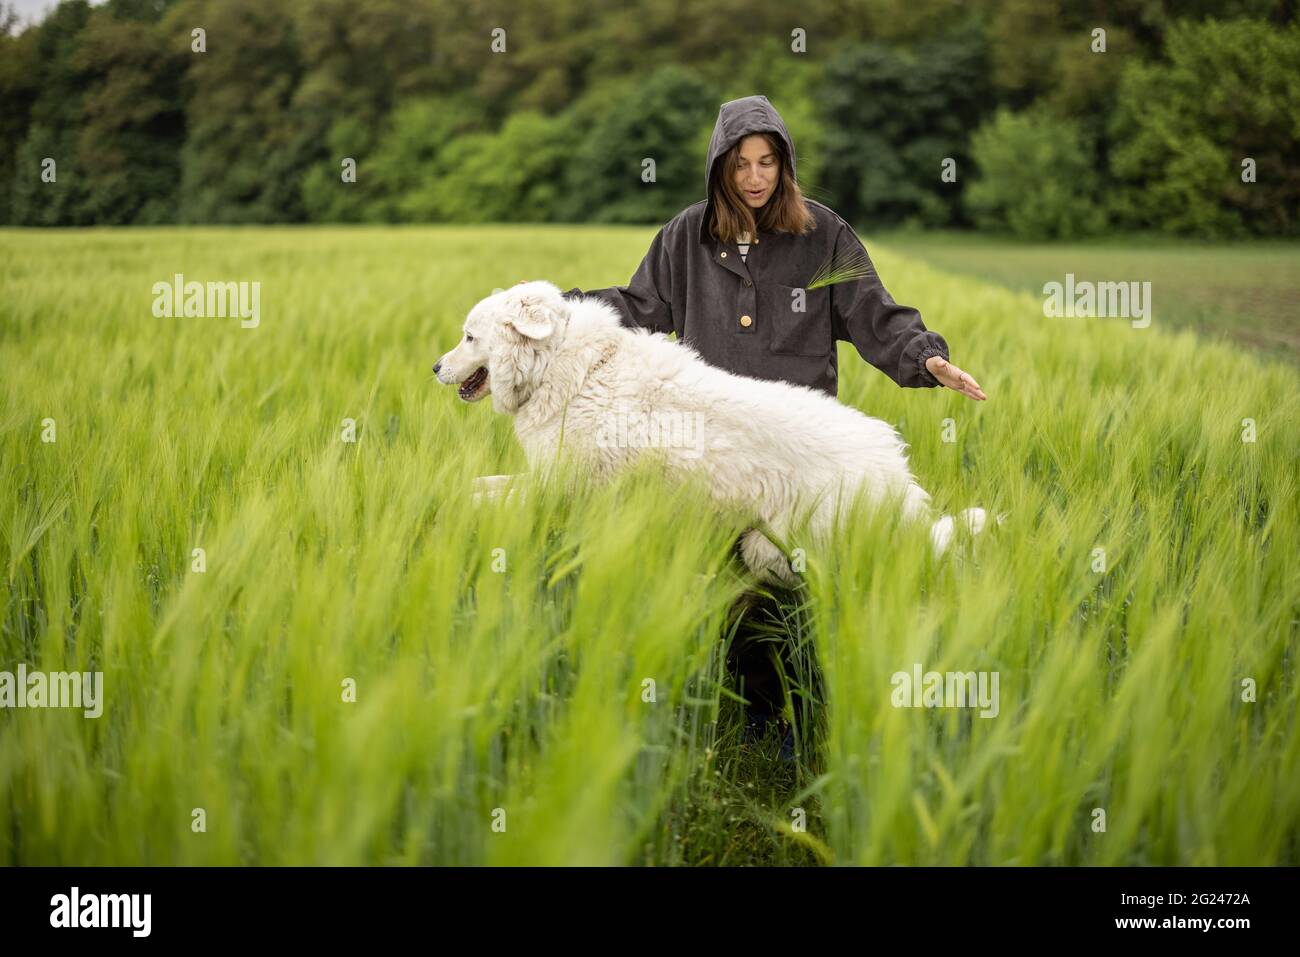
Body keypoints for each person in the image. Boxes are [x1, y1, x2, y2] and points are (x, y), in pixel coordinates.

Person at [556, 94, 989, 757]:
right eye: (741, 165)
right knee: (735, 588)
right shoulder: (685, 237)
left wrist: (923, 356)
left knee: (799, 579)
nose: (755, 177)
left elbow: (874, 312)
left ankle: (811, 715)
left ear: (784, 165)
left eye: (767, 162)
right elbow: (639, 306)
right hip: (713, 451)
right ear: (720, 169)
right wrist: (554, 311)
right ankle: (760, 719)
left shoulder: (824, 235)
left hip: (797, 450)